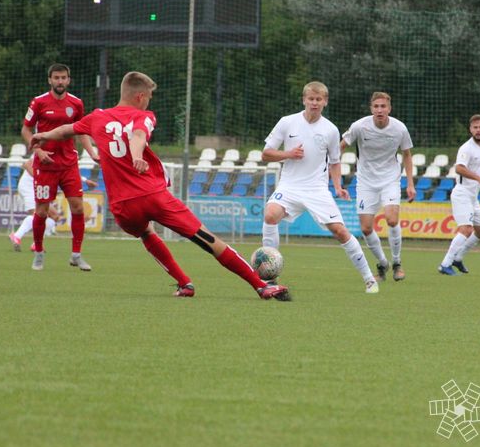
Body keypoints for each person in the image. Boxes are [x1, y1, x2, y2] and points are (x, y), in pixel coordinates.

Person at [30, 71, 289, 301]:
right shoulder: (143, 116)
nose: (150, 101)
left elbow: (66, 130)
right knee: (208, 239)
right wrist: (137, 156)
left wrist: (41, 135)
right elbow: (137, 135)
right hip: (152, 196)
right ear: (141, 96)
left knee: (146, 234)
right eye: (149, 97)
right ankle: (261, 286)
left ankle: (184, 283)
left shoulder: (97, 117)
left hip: (122, 207)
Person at [261, 81, 379, 294]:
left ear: (325, 102)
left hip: (316, 189)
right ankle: (270, 277)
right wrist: (288, 154)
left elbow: (334, 161)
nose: (314, 103)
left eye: (318, 100)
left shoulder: (330, 130)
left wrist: (337, 186)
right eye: (311, 99)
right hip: (289, 185)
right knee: (270, 215)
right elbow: (266, 153)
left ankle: (369, 278)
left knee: (340, 231)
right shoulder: (287, 122)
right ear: (304, 100)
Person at [21, 63, 100, 271]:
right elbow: (26, 129)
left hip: (69, 164)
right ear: (50, 80)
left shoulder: (76, 103)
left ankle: (76, 254)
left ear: (68, 80)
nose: (60, 81)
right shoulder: (38, 102)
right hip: (45, 165)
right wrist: (37, 151)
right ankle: (38, 252)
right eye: (56, 77)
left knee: (78, 207)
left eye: (63, 77)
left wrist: (91, 153)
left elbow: (81, 130)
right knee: (42, 211)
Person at [340, 91, 415, 282]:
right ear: (371, 108)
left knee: (391, 219)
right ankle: (382, 263)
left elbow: (407, 155)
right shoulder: (359, 126)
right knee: (365, 228)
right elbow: (341, 146)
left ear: (389, 108)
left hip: (390, 179)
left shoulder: (399, 129)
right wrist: (330, 168)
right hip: (366, 182)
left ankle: (397, 262)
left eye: (383, 106)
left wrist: (410, 183)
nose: (380, 110)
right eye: (376, 106)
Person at [438, 114, 480, 275]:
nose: (478, 130)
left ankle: (458, 258)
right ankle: (445, 264)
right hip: (462, 194)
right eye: (475, 127)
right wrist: (479, 178)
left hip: (473, 197)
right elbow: (459, 168)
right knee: (466, 229)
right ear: (470, 129)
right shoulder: (466, 148)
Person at [9, 156, 59, 251]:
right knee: (37, 214)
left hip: (39, 188)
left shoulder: (61, 155)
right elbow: (27, 164)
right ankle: (17, 236)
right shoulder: (47, 150)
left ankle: (36, 244)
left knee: (54, 216)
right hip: (29, 187)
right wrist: (39, 178)